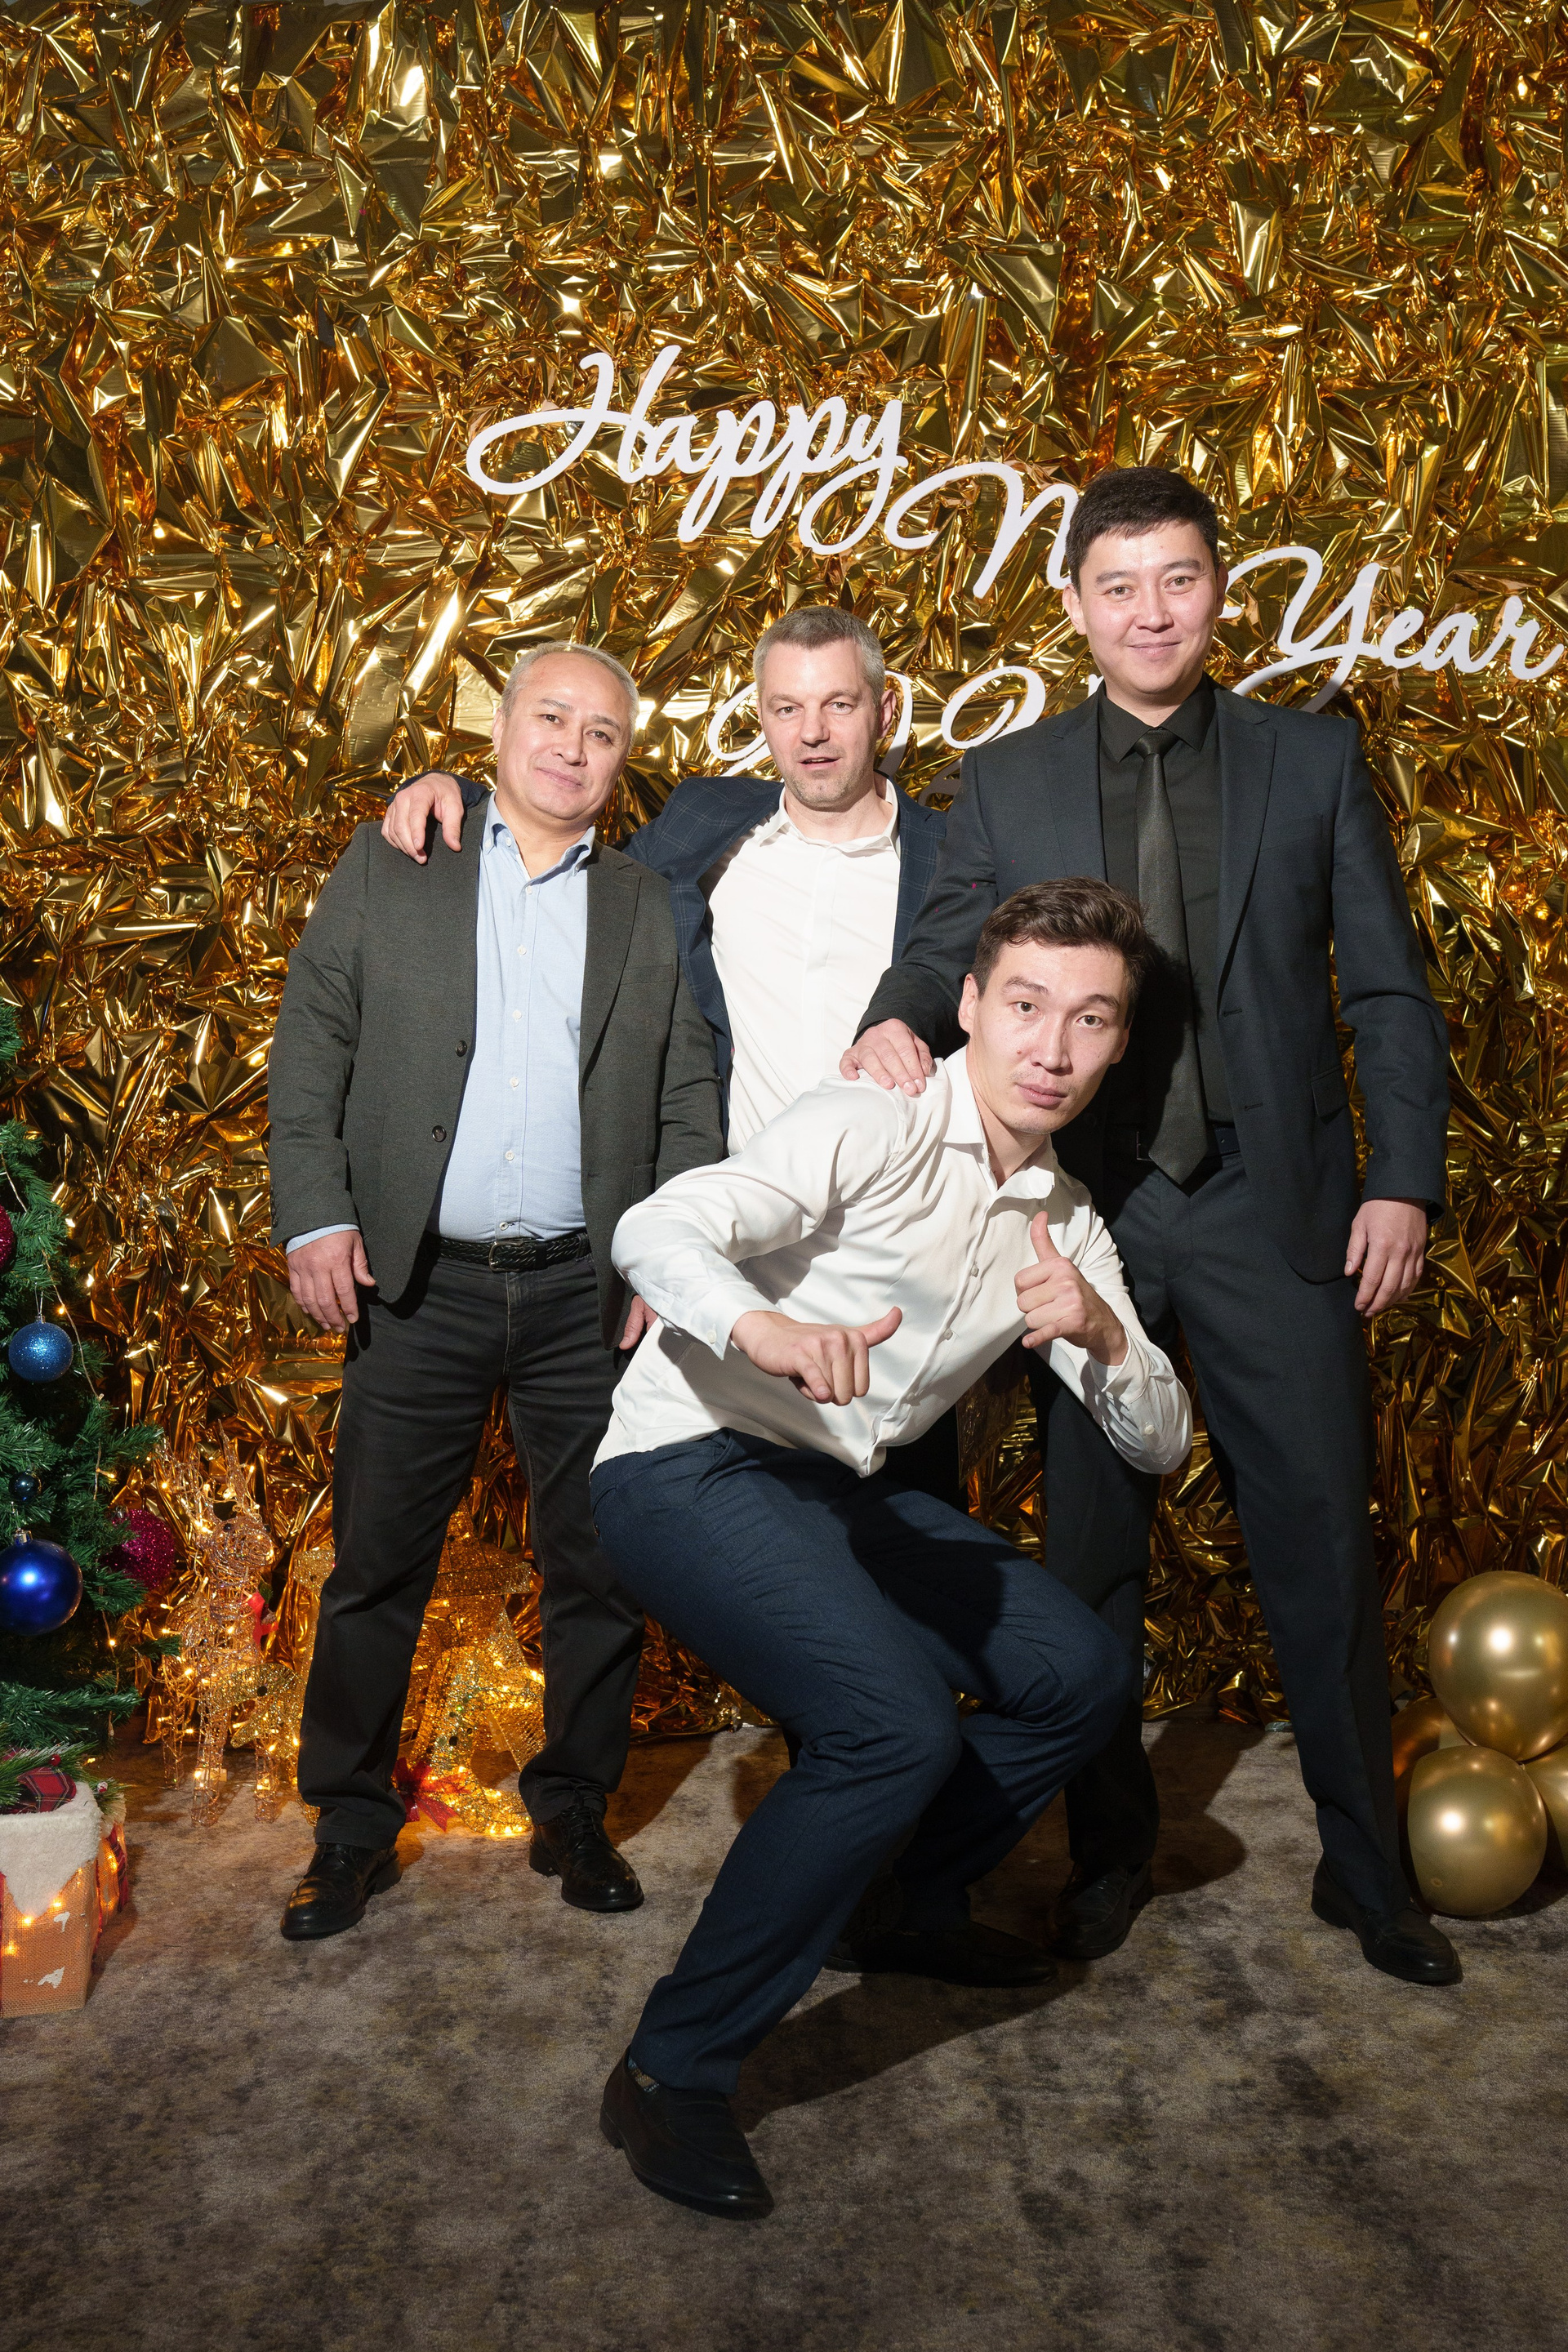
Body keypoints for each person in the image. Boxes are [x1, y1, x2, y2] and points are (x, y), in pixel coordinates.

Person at [844, 465, 1459, 1987]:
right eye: (1118, 585)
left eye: (1178, 579)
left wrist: (1403, 1179)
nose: (1151, 611)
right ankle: (1107, 1857)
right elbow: (948, 944)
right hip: (1087, 1209)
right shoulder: (1010, 776)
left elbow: (1387, 987)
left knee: (1320, 1547)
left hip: (1272, 1204)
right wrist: (893, 1020)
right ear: (1075, 606)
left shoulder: (1312, 760)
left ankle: (1368, 1875)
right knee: (1090, 1564)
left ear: (1217, 591)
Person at [588, 880, 1193, 2218]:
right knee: (890, 1727)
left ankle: (901, 1904)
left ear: (1116, 1044)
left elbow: (1160, 1442)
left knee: (1081, 1674)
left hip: (836, 1490)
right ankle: (669, 2069)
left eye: (1092, 1020)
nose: (1053, 1046)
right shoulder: (872, 1119)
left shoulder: (1065, 1219)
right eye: (1026, 1004)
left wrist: (1101, 1332)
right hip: (688, 1460)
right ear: (969, 1005)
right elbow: (656, 1227)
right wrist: (763, 1331)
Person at [267, 643, 722, 1940]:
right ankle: (350, 1824)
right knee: (376, 1567)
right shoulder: (398, 860)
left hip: (587, 1291)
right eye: (551, 717)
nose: (573, 747)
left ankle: (573, 1805)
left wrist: (670, 1258)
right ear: (501, 730)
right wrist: (317, 1213)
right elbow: (312, 1043)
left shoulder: (647, 903)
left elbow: (687, 1091)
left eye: (603, 732)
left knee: (597, 1565)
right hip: (419, 1287)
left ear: (624, 760)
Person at [382, 607, 958, 1501]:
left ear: (884, 713)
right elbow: (560, 842)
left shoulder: (953, 860)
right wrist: (450, 786)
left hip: (893, 1253)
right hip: (737, 1251)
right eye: (787, 708)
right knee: (728, 1519)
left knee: (906, 1524)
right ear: (762, 717)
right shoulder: (708, 820)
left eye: (839, 705)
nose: (811, 733)